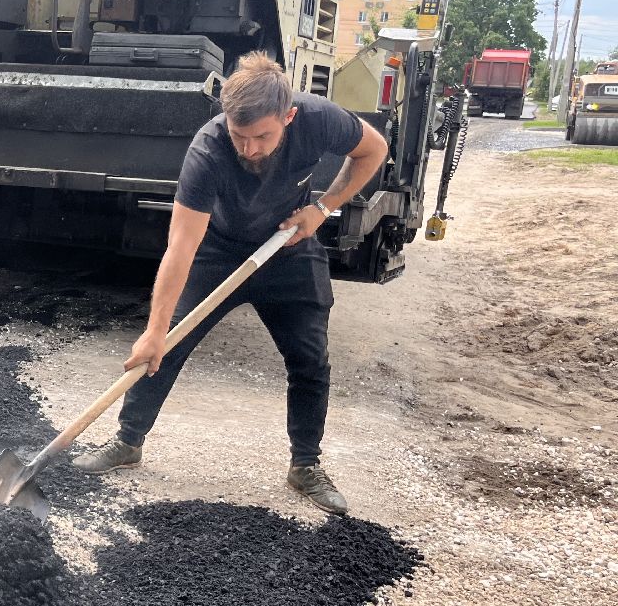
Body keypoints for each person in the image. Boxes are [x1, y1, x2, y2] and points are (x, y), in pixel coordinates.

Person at [71, 53, 388, 516]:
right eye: (241, 136)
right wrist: (153, 331)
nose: (250, 148)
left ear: (289, 116)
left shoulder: (320, 119)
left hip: (287, 247)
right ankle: (127, 441)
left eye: (263, 136)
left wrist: (322, 207)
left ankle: (305, 466)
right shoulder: (209, 149)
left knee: (309, 360)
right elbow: (180, 247)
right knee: (168, 346)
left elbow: (374, 149)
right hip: (218, 251)